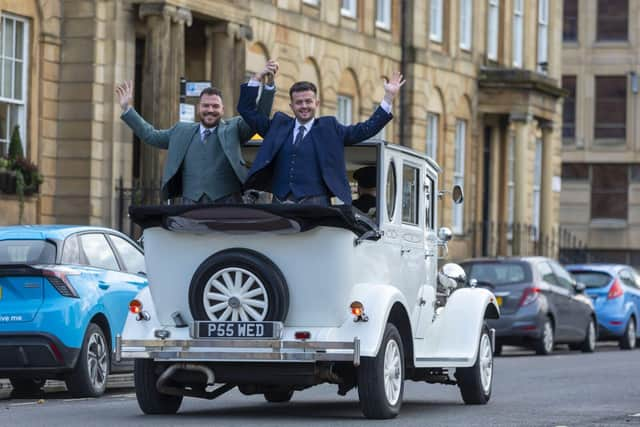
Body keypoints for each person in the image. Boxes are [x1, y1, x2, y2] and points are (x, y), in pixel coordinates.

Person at [115, 60, 278, 204]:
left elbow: (259, 118)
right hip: (190, 206)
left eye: (215, 106)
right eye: (206, 105)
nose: (210, 110)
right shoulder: (181, 131)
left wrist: (266, 85)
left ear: (223, 109)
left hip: (228, 205)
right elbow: (150, 135)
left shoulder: (234, 128)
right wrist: (127, 109)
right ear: (199, 108)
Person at [237, 70, 405, 207]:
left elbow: (365, 129)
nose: (304, 106)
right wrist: (256, 79)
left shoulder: (329, 128)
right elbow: (247, 111)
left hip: (317, 205)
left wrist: (388, 98)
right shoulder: (278, 126)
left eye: (308, 101)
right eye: (299, 102)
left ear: (316, 103)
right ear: (291, 106)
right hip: (280, 203)